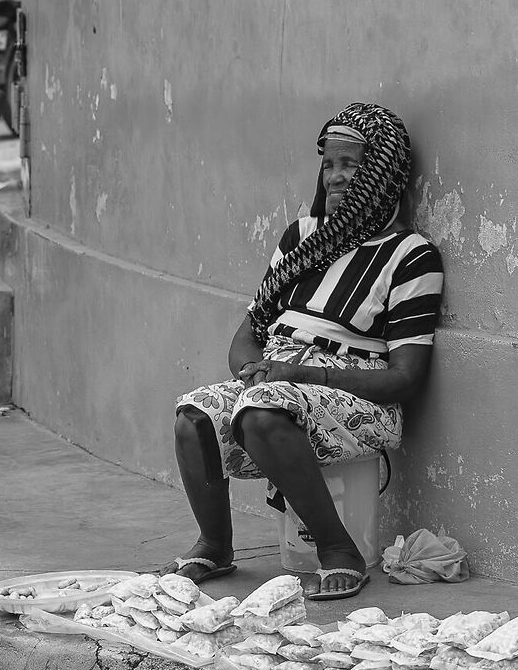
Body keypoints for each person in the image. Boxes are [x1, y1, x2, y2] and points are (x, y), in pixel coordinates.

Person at [168, 103, 442, 601]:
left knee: (263, 413)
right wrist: (254, 371)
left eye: (351, 165)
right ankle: (215, 545)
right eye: (329, 164)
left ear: (382, 174)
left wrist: (301, 376)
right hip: (277, 378)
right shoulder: (299, 239)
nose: (336, 177)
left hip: (357, 394)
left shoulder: (410, 256)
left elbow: (405, 378)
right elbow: (248, 334)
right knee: (195, 415)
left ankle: (339, 551)